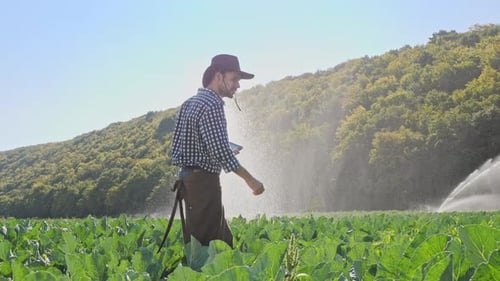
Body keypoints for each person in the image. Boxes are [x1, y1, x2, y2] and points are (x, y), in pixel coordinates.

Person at [171, 54, 265, 248]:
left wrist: (223, 147)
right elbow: (220, 152)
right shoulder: (213, 104)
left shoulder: (190, 103)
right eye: (234, 79)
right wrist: (251, 180)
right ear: (218, 76)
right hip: (203, 184)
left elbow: (182, 147)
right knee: (210, 247)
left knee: (210, 242)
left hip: (189, 181)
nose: (238, 85)